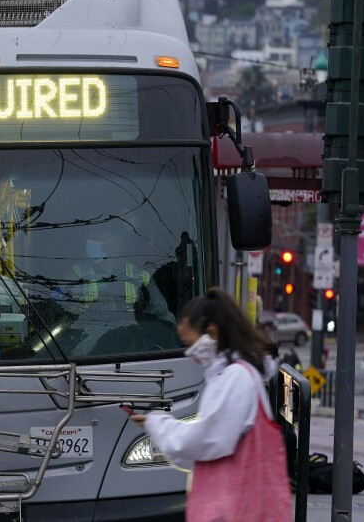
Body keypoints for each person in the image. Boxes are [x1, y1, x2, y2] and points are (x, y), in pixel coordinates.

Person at [129, 287, 291, 521]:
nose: (191, 354)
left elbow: (207, 439)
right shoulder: (229, 375)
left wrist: (158, 424)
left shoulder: (236, 377)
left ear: (212, 332)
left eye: (190, 344)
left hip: (238, 510)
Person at [51, 219, 174, 355]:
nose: (90, 241)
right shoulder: (76, 273)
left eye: (96, 237)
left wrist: (162, 344)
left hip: (132, 349)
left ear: (115, 242)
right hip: (83, 350)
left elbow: (162, 316)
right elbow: (53, 306)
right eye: (90, 236)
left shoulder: (141, 276)